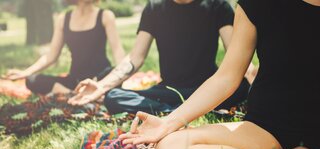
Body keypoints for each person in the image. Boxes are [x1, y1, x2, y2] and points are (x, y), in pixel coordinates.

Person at [120, 0, 320, 149]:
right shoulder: (258, 4)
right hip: (270, 129)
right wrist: (168, 123)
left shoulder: (217, 6)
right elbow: (226, 77)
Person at [68, 0, 256, 114]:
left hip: (208, 87)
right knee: (113, 97)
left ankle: (181, 108)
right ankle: (186, 109)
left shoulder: (217, 5)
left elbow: (235, 54)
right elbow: (135, 58)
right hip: (168, 90)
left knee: (241, 87)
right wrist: (101, 86)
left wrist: (252, 73)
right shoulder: (154, 8)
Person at [3, 0, 125, 95]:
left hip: (100, 78)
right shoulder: (63, 19)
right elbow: (51, 56)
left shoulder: (105, 16)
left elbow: (117, 51)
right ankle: (74, 94)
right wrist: (25, 72)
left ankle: (73, 93)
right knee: (32, 80)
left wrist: (121, 75)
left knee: (114, 74)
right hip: (74, 80)